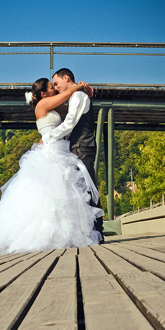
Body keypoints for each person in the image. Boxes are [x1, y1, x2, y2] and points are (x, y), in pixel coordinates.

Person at [0, 78, 103, 257]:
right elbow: (67, 94)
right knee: (46, 194)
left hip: (60, 150)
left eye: (55, 85)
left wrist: (83, 94)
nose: (55, 89)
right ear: (43, 94)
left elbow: (70, 109)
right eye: (51, 87)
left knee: (63, 195)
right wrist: (78, 86)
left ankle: (64, 234)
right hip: (51, 152)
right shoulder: (42, 104)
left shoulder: (55, 106)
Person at [49, 68, 105, 239]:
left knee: (87, 189)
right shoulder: (76, 96)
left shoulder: (79, 97)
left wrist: (49, 137)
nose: (56, 87)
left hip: (83, 147)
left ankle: (98, 231)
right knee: (80, 189)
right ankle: (91, 230)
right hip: (78, 147)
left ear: (66, 78)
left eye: (56, 83)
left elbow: (70, 123)